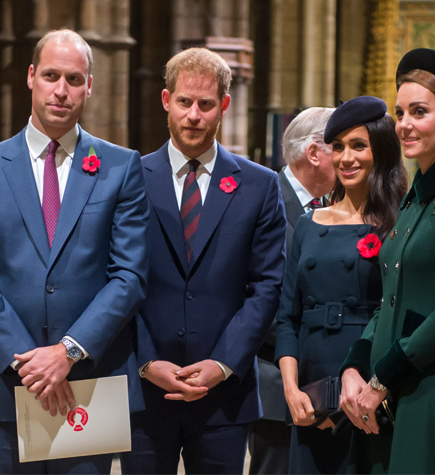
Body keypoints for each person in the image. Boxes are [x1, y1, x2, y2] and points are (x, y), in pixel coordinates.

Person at [0, 29, 149, 474]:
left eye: (75, 79)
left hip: (89, 384)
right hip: (7, 382)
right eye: (51, 76)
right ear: (30, 77)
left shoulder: (120, 167)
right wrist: (33, 364)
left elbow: (130, 275)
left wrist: (67, 352)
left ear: (90, 86)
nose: (62, 90)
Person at [119, 47, 286, 475]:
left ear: (224, 106)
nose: (194, 115)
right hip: (143, 387)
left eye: (206, 104)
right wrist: (145, 360)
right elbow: (114, 280)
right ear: (165, 101)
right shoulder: (128, 179)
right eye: (184, 102)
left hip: (223, 397)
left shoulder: (259, 186)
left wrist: (222, 364)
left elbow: (267, 285)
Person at [339, 48, 435, 473]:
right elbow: (388, 300)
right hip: (386, 391)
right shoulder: (412, 199)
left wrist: (381, 379)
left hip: (433, 390)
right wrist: (354, 368)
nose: (405, 124)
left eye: (419, 112)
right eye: (400, 112)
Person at [274, 97, 407, 474]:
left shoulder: (400, 222)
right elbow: (288, 316)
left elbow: (399, 313)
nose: (346, 158)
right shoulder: (309, 223)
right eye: (338, 147)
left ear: (380, 151)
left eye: (358, 146)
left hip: (372, 383)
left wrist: (375, 387)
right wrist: (291, 389)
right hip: (311, 386)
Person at [248, 107, 336, 475]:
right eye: (341, 146)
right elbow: (251, 294)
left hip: (330, 378)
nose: (351, 158)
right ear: (315, 153)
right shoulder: (260, 198)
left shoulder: (337, 209)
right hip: (274, 374)